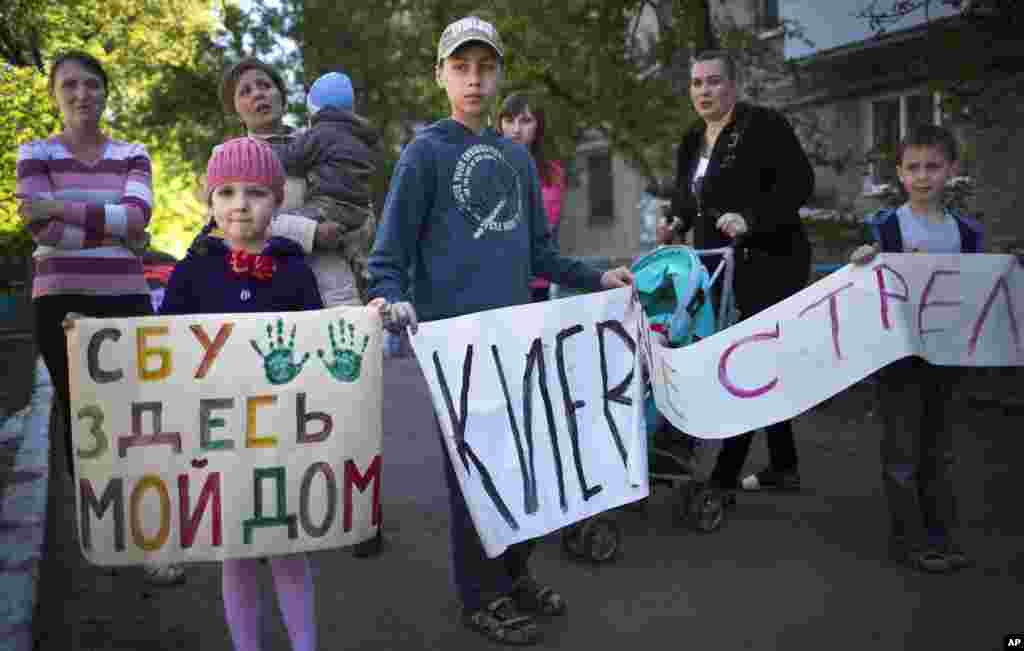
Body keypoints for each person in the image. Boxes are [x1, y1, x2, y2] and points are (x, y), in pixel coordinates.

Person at [367, 16, 633, 646]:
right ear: (440, 76)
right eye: (461, 67)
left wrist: (599, 278)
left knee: (526, 468)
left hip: (520, 343)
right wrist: (392, 301)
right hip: (454, 351)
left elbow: (544, 257)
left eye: (485, 67)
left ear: (499, 75)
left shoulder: (516, 159)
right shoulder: (424, 154)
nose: (475, 80)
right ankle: (479, 595)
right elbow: (386, 260)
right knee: (474, 478)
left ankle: (513, 577)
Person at [15, 52, 184, 587]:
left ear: (106, 92)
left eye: (92, 84)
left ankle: (151, 537)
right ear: (54, 95)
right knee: (81, 418)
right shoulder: (34, 152)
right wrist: (114, 231)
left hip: (125, 300)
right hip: (59, 302)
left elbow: (137, 220)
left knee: (137, 418)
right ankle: (102, 529)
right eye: (70, 85)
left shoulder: (132, 153)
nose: (82, 93)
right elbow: (40, 233)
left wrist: (59, 209)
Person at [159, 137, 330, 650]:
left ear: (277, 201)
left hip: (281, 435)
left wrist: (365, 323)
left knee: (286, 550)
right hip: (219, 440)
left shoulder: (295, 269)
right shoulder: (191, 271)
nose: (239, 203)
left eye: (255, 192)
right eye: (227, 191)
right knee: (232, 553)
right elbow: (161, 343)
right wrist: (95, 340)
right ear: (209, 202)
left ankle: (305, 645)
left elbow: (321, 342)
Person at [664, 49, 814, 498]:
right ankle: (784, 466)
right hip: (717, 266)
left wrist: (752, 217)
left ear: (733, 85)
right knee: (762, 361)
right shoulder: (692, 139)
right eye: (696, 83)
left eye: (713, 81)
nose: (704, 91)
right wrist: (676, 223)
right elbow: (688, 199)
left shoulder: (763, 126)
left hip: (771, 261)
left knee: (744, 361)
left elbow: (798, 184)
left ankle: (723, 478)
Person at [849, 125, 982, 574]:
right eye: (913, 168)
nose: (923, 176)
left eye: (933, 166)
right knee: (902, 453)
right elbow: (865, 286)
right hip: (899, 358)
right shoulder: (885, 228)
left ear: (952, 170)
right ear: (900, 174)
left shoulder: (966, 233)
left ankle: (941, 536)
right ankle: (910, 541)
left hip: (946, 357)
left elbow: (979, 288)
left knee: (939, 452)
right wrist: (861, 263)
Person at [189, 57, 376, 308]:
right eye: (245, 91)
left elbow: (362, 210)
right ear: (236, 112)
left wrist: (348, 231)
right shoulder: (226, 157)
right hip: (261, 289)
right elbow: (224, 225)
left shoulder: (324, 141)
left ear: (282, 96)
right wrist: (310, 233)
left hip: (333, 289)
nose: (258, 94)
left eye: (265, 86)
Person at [497, 92, 566, 302]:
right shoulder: (485, 166)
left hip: (536, 280)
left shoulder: (552, 173)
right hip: (493, 279)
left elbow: (543, 227)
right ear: (499, 124)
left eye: (525, 121)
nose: (516, 130)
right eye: (509, 121)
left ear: (539, 126)